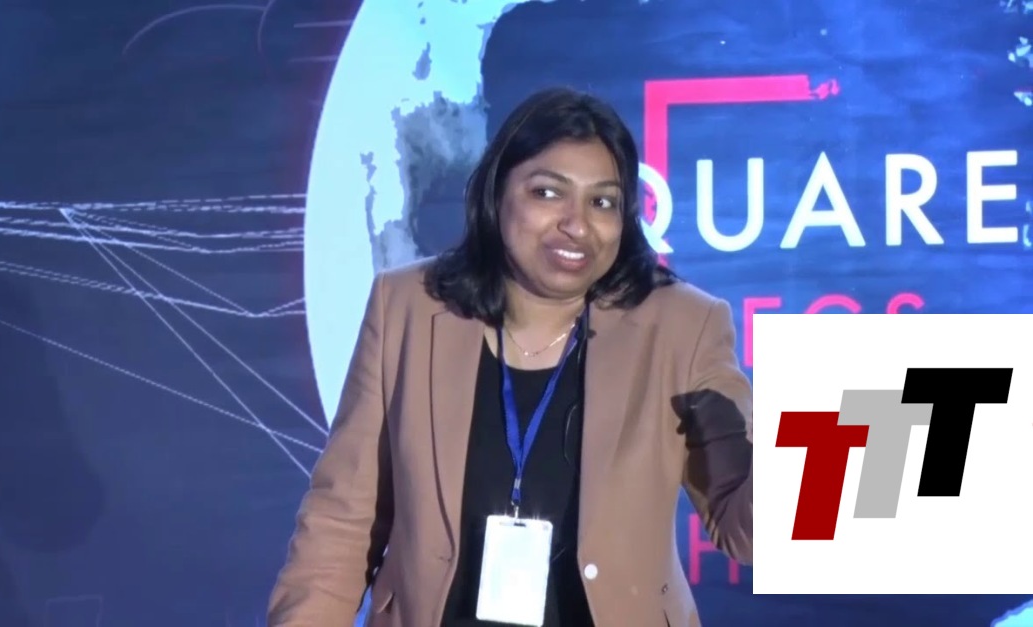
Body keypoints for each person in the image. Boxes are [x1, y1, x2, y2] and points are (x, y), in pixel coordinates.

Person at [267, 87, 753, 627]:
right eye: (548, 193)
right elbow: (342, 521)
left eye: (603, 202)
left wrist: (820, 431)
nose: (577, 224)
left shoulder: (682, 325)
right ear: (497, 193)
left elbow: (748, 532)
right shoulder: (406, 306)